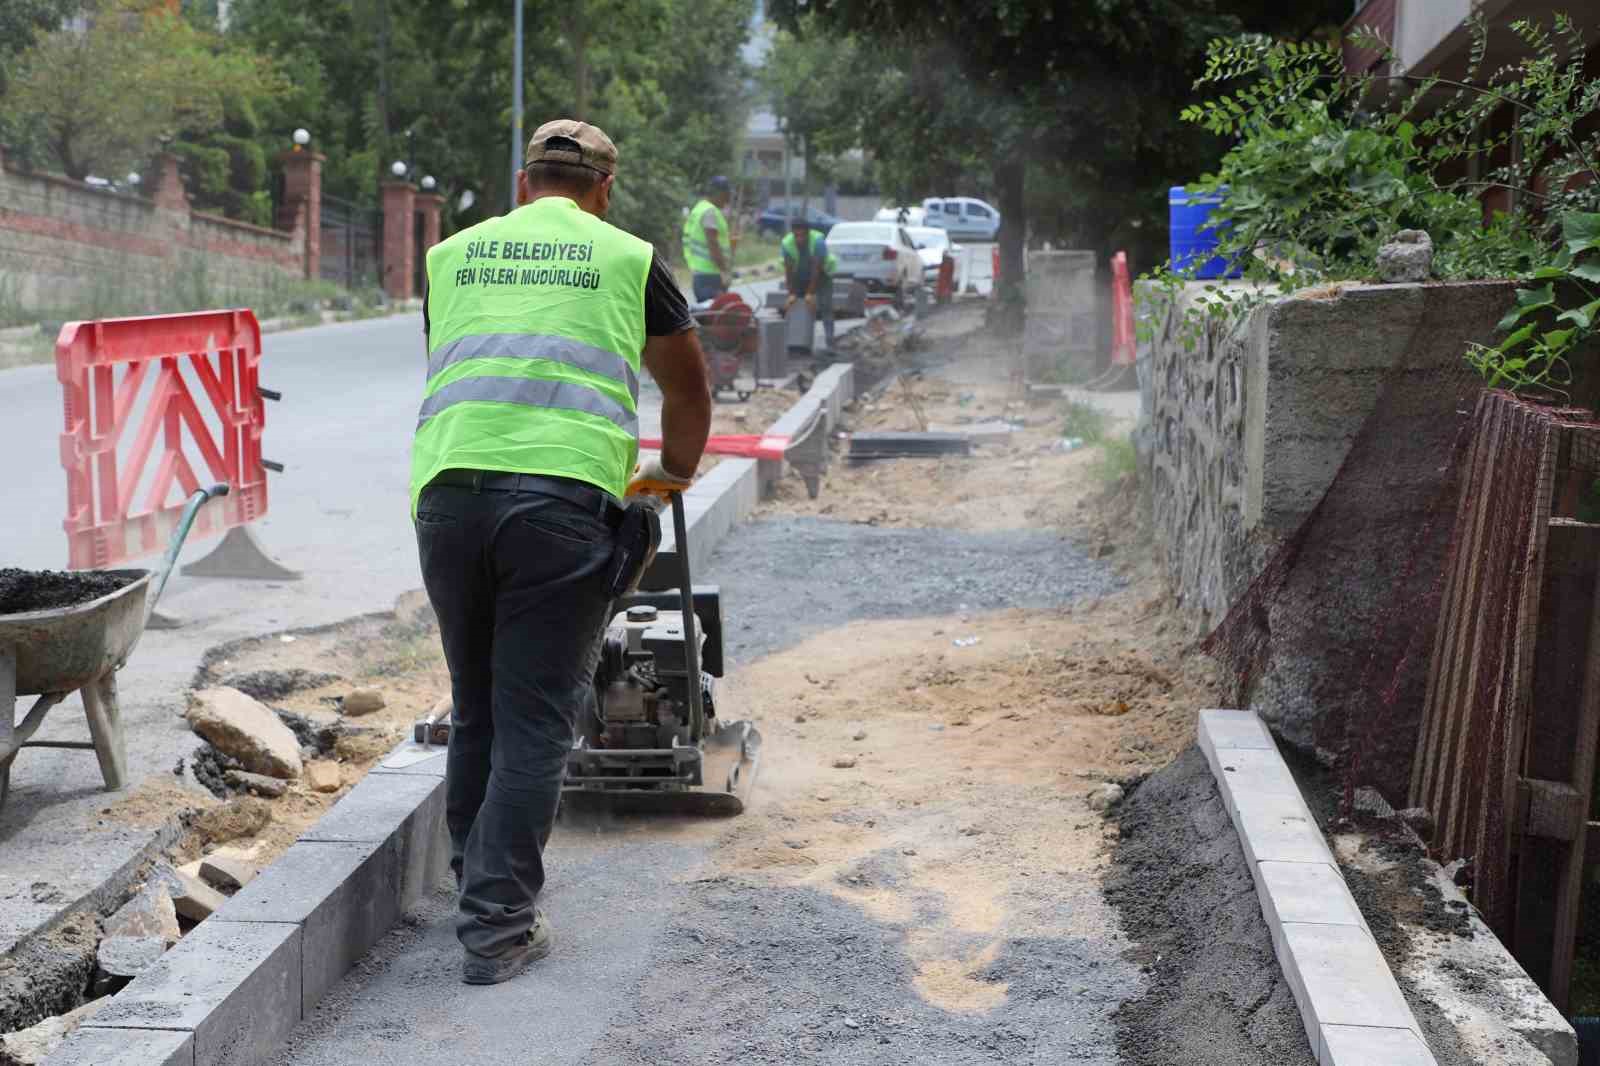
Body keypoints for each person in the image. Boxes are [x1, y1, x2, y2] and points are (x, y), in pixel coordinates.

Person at [411, 119, 711, 985]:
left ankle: (478, 886)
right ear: (603, 190)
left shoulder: (452, 255)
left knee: (478, 706)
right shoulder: (628, 258)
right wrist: (666, 480)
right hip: (564, 508)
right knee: (536, 718)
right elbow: (687, 387)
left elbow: (461, 364)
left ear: (524, 183)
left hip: (449, 499)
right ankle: (497, 928)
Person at [781, 216, 837, 350]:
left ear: (808, 233)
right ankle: (798, 344)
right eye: (796, 236)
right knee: (796, 305)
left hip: (822, 276)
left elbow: (816, 270)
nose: (799, 239)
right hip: (800, 275)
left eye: (802, 236)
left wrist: (810, 293)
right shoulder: (787, 244)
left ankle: (830, 343)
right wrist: (792, 293)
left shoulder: (818, 242)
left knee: (825, 306)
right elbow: (788, 271)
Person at [681, 175, 734, 302]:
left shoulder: (699, 208)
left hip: (700, 274)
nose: (728, 199)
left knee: (709, 312)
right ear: (719, 193)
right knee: (720, 313)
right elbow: (712, 242)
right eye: (727, 195)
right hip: (711, 276)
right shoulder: (710, 212)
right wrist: (724, 271)